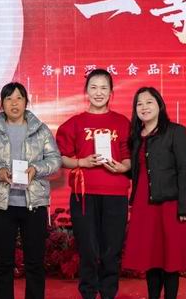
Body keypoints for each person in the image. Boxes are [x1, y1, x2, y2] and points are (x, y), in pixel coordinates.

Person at [0, 82, 62, 299]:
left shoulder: (40, 130)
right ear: (2, 104)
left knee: (35, 263)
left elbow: (55, 160)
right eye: (9, 99)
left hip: (34, 204)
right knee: (3, 263)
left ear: (26, 102)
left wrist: (36, 169)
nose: (14, 103)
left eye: (19, 98)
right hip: (3, 205)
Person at [56, 69, 131, 299]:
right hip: (84, 193)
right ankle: (88, 292)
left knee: (112, 248)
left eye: (104, 88)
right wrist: (82, 162)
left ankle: (108, 292)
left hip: (116, 193)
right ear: (86, 91)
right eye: (94, 87)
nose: (99, 92)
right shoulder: (75, 123)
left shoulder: (122, 122)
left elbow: (129, 156)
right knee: (87, 248)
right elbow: (60, 158)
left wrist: (123, 167)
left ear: (111, 92)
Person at [122, 86, 186, 299]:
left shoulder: (175, 131)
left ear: (160, 105)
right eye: (139, 104)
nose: (144, 107)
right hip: (143, 204)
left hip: (170, 204)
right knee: (150, 257)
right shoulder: (136, 136)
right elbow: (136, 171)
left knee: (171, 259)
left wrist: (185, 206)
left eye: (149, 102)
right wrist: (119, 168)